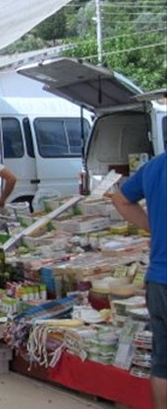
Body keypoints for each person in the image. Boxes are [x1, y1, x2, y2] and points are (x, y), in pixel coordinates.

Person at [111, 152, 166, 406]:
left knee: (162, 364)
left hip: (158, 279)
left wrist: (151, 225)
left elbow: (120, 199)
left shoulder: (155, 166)